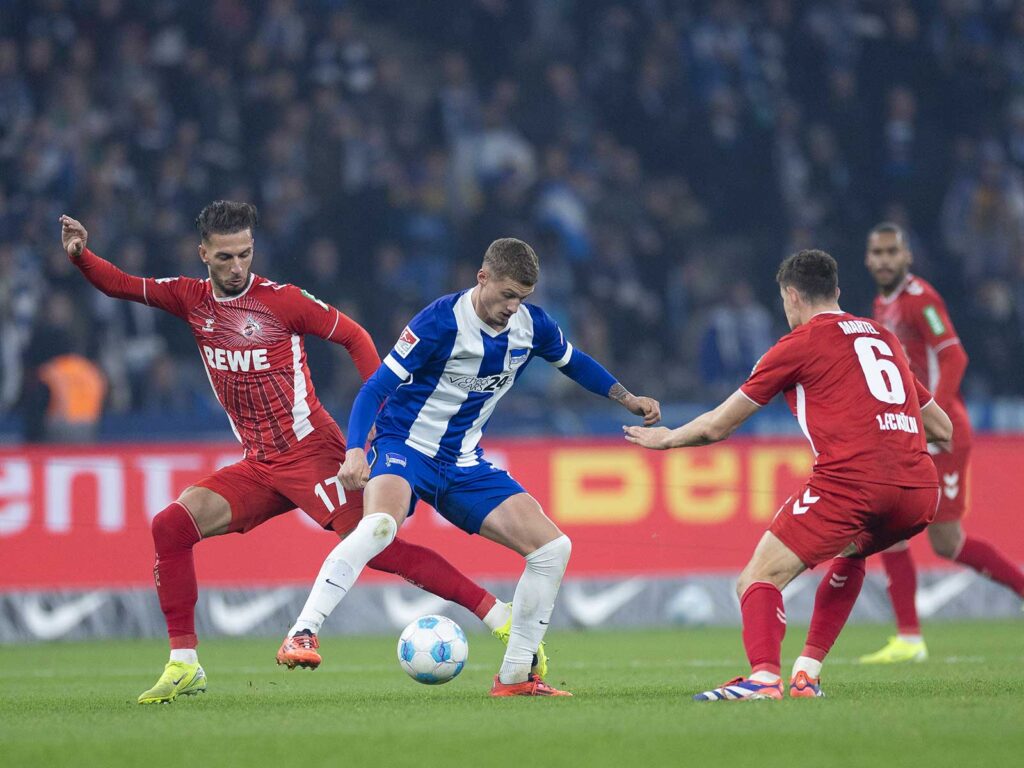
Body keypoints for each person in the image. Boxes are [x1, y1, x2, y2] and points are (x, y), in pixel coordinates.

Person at [60, 204, 520, 705]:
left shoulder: (282, 301)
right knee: (170, 526)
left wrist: (371, 436)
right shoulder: (190, 299)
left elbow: (354, 336)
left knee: (376, 546)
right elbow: (121, 284)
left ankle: (497, 614)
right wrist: (82, 256)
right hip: (259, 463)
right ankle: (183, 664)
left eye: (245, 254)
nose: (237, 266)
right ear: (203, 254)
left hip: (309, 451)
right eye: (225, 256)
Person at [278, 237, 661, 697]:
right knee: (379, 526)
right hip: (406, 447)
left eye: (523, 298)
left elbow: (574, 363)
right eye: (507, 295)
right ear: (483, 279)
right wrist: (356, 449)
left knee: (553, 549)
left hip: (463, 461)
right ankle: (303, 631)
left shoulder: (531, 326)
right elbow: (374, 389)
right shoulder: (438, 322)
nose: (513, 307)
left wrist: (627, 398)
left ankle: (516, 678)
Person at [625, 249, 952, 700]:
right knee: (853, 552)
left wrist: (667, 439)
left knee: (756, 578)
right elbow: (943, 429)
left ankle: (763, 678)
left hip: (852, 484)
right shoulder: (883, 338)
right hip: (920, 491)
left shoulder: (798, 344)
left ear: (792, 296)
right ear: (836, 291)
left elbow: (719, 425)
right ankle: (806, 674)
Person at [860, 223, 1024, 664]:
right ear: (867, 259)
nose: (885, 260)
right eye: (877, 252)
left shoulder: (922, 300)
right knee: (889, 528)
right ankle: (908, 638)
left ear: (908, 255)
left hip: (941, 434)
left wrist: (937, 415)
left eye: (893, 251)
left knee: (946, 543)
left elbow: (954, 355)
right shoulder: (882, 303)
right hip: (912, 433)